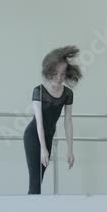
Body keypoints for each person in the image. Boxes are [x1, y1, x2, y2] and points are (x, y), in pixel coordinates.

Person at [23, 46, 81, 194]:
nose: (59, 77)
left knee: (39, 180)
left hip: (49, 136)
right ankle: (29, 207)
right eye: (56, 73)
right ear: (49, 71)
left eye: (63, 73)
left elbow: (68, 122)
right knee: (35, 182)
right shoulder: (39, 91)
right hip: (33, 136)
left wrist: (70, 150)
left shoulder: (68, 93)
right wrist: (43, 149)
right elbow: (39, 122)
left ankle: (32, 205)